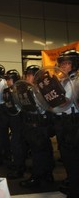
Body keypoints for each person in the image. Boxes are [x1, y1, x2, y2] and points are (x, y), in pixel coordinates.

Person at [19, 65, 55, 188]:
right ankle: (47, 175)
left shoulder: (38, 90)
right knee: (44, 151)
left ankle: (38, 177)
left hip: (39, 124)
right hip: (37, 124)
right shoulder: (32, 89)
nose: (26, 77)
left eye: (29, 75)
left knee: (38, 152)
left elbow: (40, 107)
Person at [53, 50, 79, 198]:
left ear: (74, 64)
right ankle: (72, 182)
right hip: (62, 122)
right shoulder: (63, 80)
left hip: (73, 123)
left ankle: (75, 190)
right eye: (61, 63)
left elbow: (65, 101)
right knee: (66, 157)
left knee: (73, 157)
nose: (62, 66)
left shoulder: (76, 81)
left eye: (66, 63)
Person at [3, 69, 28, 179]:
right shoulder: (10, 90)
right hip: (14, 119)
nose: (7, 81)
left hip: (19, 119)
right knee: (15, 143)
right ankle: (17, 164)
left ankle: (19, 168)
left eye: (9, 79)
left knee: (17, 144)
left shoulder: (20, 90)